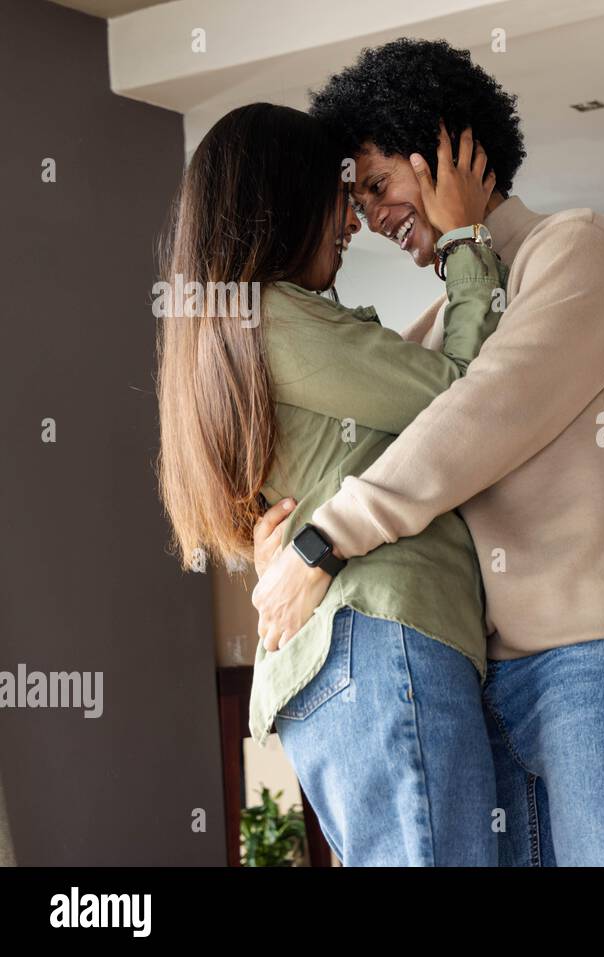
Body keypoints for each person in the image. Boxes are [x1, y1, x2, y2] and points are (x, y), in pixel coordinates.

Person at [251, 38, 604, 866]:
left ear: (450, 149)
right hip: (489, 673)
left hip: (593, 657)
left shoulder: (577, 250)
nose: (371, 218)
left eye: (379, 184)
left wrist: (325, 540)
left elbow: (476, 418)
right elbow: (396, 436)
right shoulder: (444, 329)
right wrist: (287, 531)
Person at [156, 102, 505, 865]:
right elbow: (470, 396)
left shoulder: (230, 331)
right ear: (280, 202)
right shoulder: (277, 317)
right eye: (341, 197)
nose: (353, 223)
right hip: (383, 641)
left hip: (338, 663)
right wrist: (466, 243)